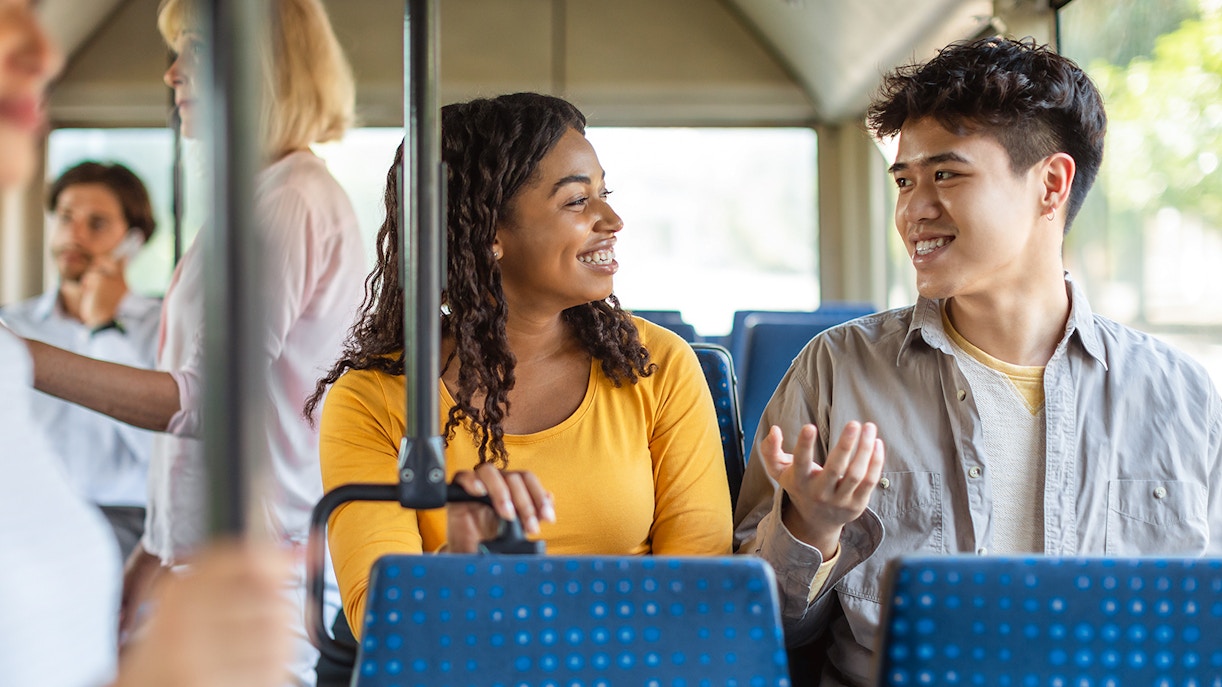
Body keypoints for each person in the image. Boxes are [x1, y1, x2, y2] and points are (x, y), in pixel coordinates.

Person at [732, 36, 1222, 686]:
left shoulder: (1181, 398)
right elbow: (755, 630)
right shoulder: (835, 370)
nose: (912, 210)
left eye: (947, 174)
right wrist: (812, 528)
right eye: (905, 181)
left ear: (1051, 184)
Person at [14, 0, 365, 683]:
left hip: (256, 563)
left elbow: (207, 401)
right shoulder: (263, 194)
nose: (173, 75)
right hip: (202, 551)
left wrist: (17, 357)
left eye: (195, 53)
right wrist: (155, 545)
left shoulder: (289, 200)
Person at [309, 92, 733, 637]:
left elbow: (701, 591)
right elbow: (380, 621)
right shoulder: (372, 400)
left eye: (604, 193)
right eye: (577, 201)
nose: (613, 219)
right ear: (488, 236)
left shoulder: (659, 366)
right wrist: (463, 568)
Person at [0, 161, 160, 560]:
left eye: (97, 223)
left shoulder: (163, 329)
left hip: (130, 523)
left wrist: (103, 327)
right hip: (27, 520)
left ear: (133, 240)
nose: (74, 234)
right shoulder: (13, 328)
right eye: (66, 218)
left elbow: (165, 448)